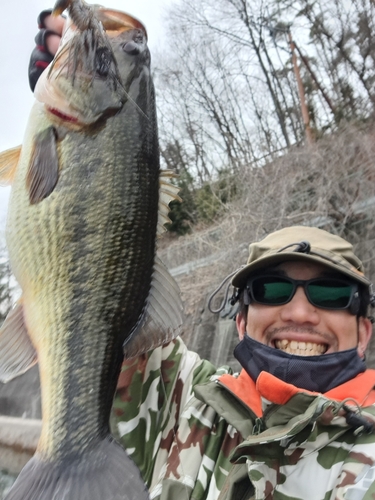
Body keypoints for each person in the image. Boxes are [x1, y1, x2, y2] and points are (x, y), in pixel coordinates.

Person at [30, 14, 375, 500]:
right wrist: (80, 86)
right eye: (271, 289)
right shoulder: (180, 396)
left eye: (331, 293)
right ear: (240, 321)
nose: (299, 312)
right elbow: (104, 316)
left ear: (365, 331)